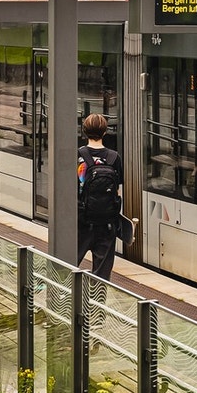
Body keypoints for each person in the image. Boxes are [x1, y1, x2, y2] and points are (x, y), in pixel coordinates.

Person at [77, 113, 129, 279]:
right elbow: (117, 192)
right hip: (107, 225)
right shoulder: (114, 158)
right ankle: (97, 304)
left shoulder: (77, 155)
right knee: (102, 276)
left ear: (84, 132)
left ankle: (65, 301)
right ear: (105, 132)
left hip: (81, 222)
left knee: (66, 268)